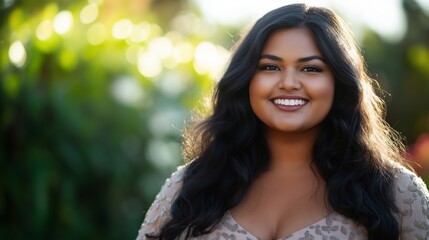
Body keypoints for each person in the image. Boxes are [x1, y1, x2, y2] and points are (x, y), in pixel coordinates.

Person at [136, 3, 429, 240]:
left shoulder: (396, 193)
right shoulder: (191, 186)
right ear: (247, 79)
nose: (288, 83)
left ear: (339, 83)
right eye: (270, 67)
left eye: (311, 69)